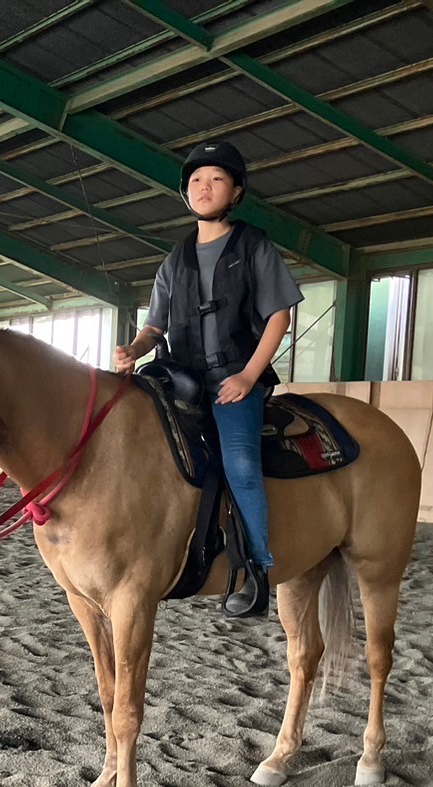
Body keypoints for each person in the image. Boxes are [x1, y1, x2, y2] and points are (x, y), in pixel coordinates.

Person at [114, 140, 303, 619]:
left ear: (235, 191)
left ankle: (257, 572)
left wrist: (248, 375)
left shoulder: (254, 246)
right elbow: (154, 328)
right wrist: (133, 352)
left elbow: (279, 317)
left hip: (234, 381)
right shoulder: (173, 260)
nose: (205, 187)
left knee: (240, 462)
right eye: (197, 180)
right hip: (179, 379)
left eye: (216, 179)